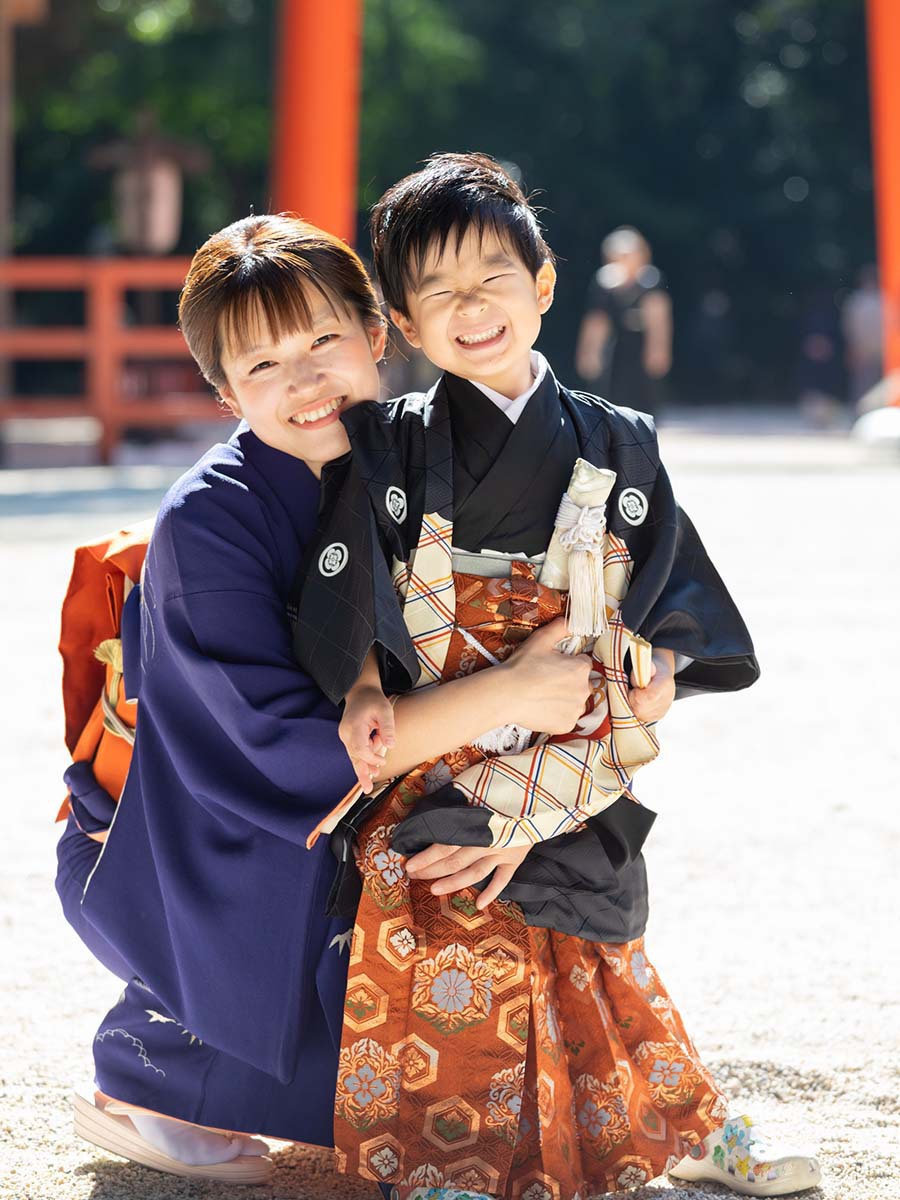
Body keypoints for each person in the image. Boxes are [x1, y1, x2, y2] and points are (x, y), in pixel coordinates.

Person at [294, 153, 821, 1200]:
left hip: (571, 746)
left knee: (592, 950)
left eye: (493, 277)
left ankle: (688, 1131)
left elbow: (669, 600)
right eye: (436, 291)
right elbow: (345, 586)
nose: (470, 307)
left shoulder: (620, 445)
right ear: (401, 322)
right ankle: (452, 1161)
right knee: (447, 920)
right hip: (440, 743)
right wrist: (360, 688)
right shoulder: (387, 447)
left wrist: (656, 670)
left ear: (543, 285)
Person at [58, 214, 589, 1187]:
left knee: (555, 864)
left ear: (378, 335)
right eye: (261, 366)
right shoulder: (208, 523)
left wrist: (529, 796)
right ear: (224, 391)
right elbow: (286, 750)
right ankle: (156, 1067)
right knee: (446, 1099)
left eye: (322, 341)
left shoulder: (435, 461)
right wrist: (513, 693)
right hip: (223, 834)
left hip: (416, 789)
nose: (303, 382)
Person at [575, 225, 671, 414]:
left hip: (641, 348)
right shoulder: (605, 283)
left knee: (644, 402)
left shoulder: (650, 282)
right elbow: (596, 322)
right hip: (615, 349)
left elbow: (659, 320)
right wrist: (588, 352)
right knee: (611, 402)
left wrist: (659, 350)